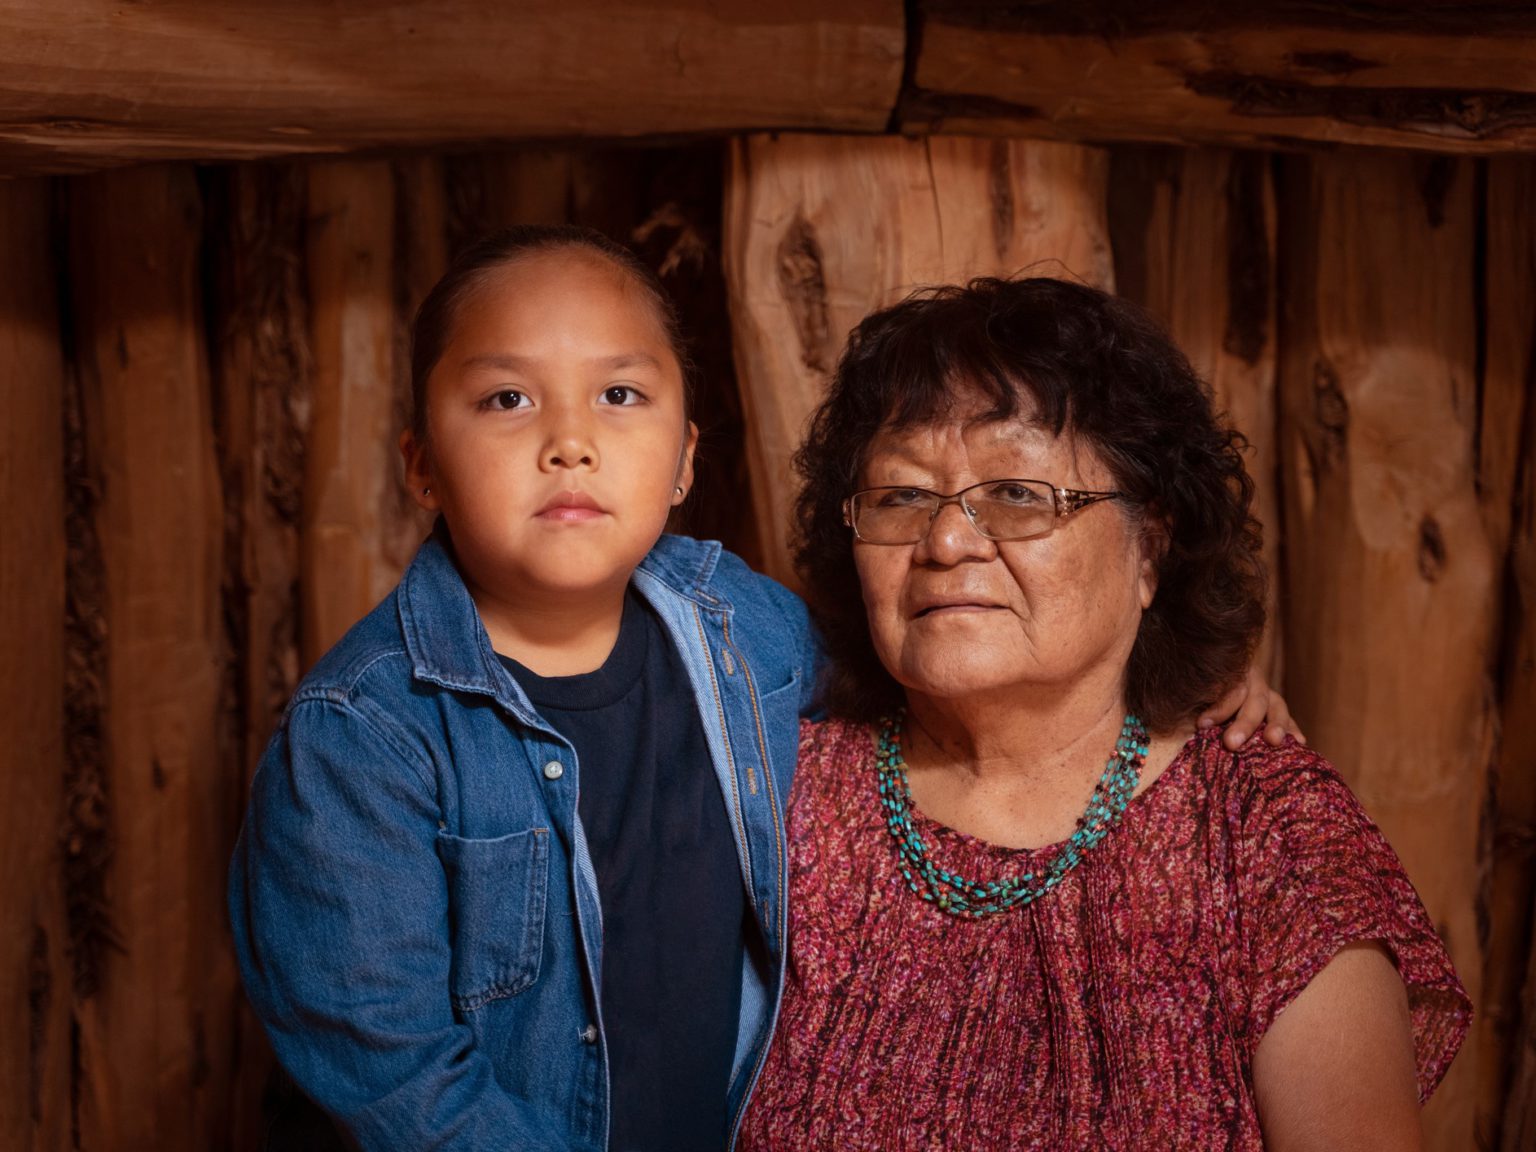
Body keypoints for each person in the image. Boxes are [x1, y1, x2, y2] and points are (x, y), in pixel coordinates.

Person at [229, 228, 1298, 1152]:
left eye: (620, 394)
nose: (569, 441)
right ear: (421, 465)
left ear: (685, 458)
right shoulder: (364, 735)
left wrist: (1180, 664)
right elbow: (393, 1070)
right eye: (506, 398)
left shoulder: (743, 630)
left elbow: (943, 654)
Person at [738, 276, 1470, 1151]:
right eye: (901, 498)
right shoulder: (770, 784)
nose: (945, 541)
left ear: (1149, 548)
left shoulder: (1266, 836)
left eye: (1016, 494)